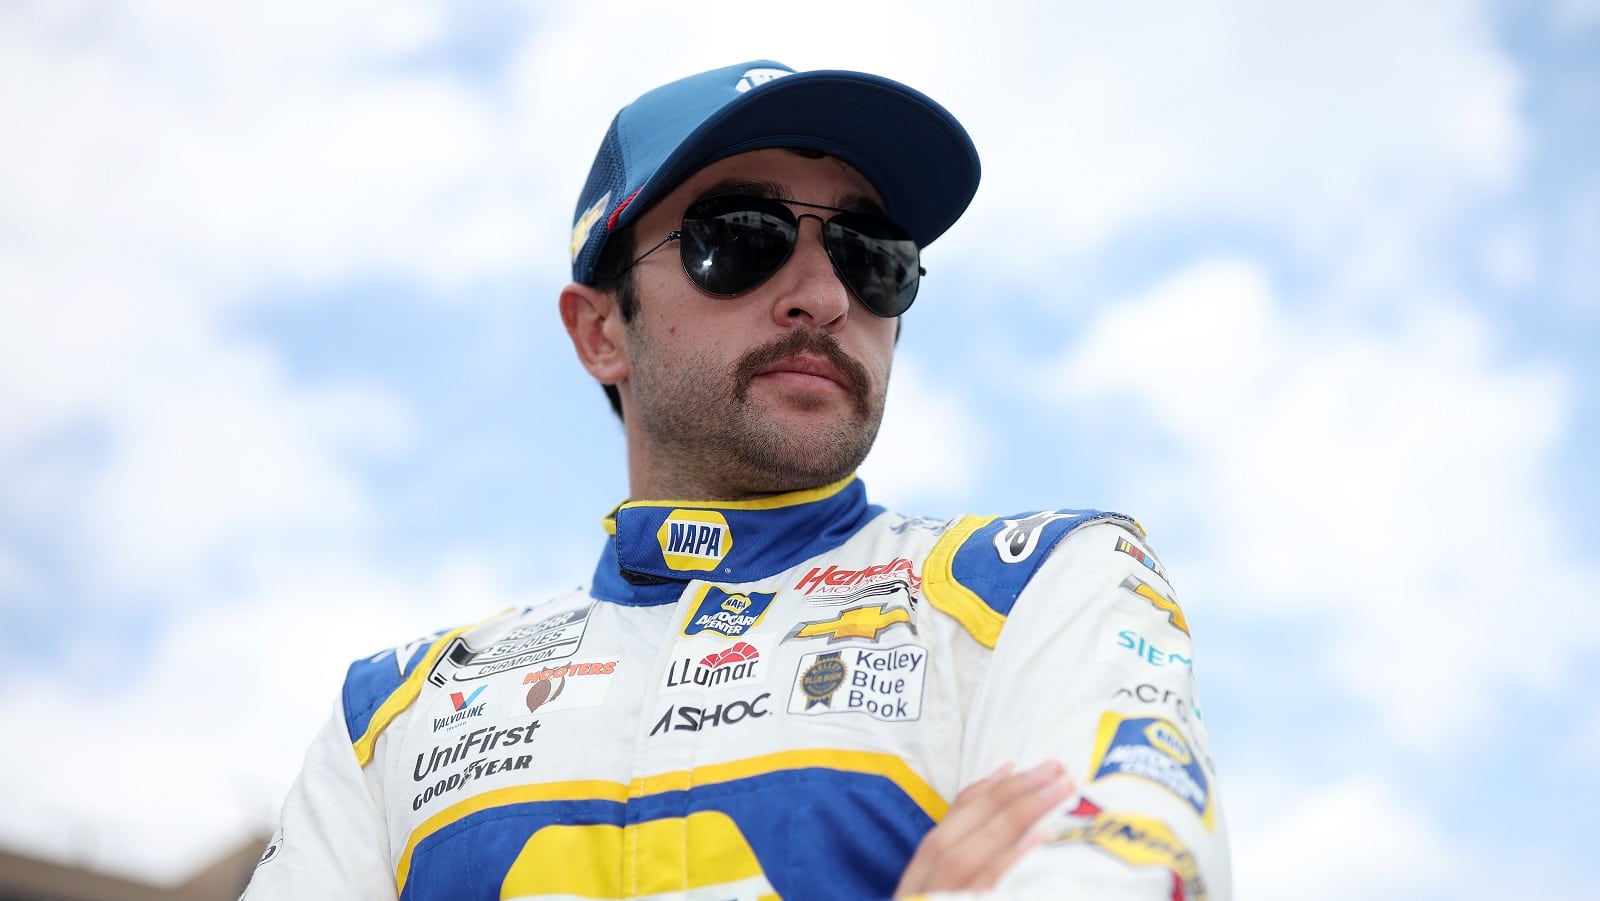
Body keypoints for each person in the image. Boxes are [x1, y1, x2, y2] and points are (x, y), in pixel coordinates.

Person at [243, 60, 1231, 900]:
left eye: (870, 254)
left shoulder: (1038, 584)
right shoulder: (391, 717)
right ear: (599, 329)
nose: (823, 295)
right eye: (743, 235)